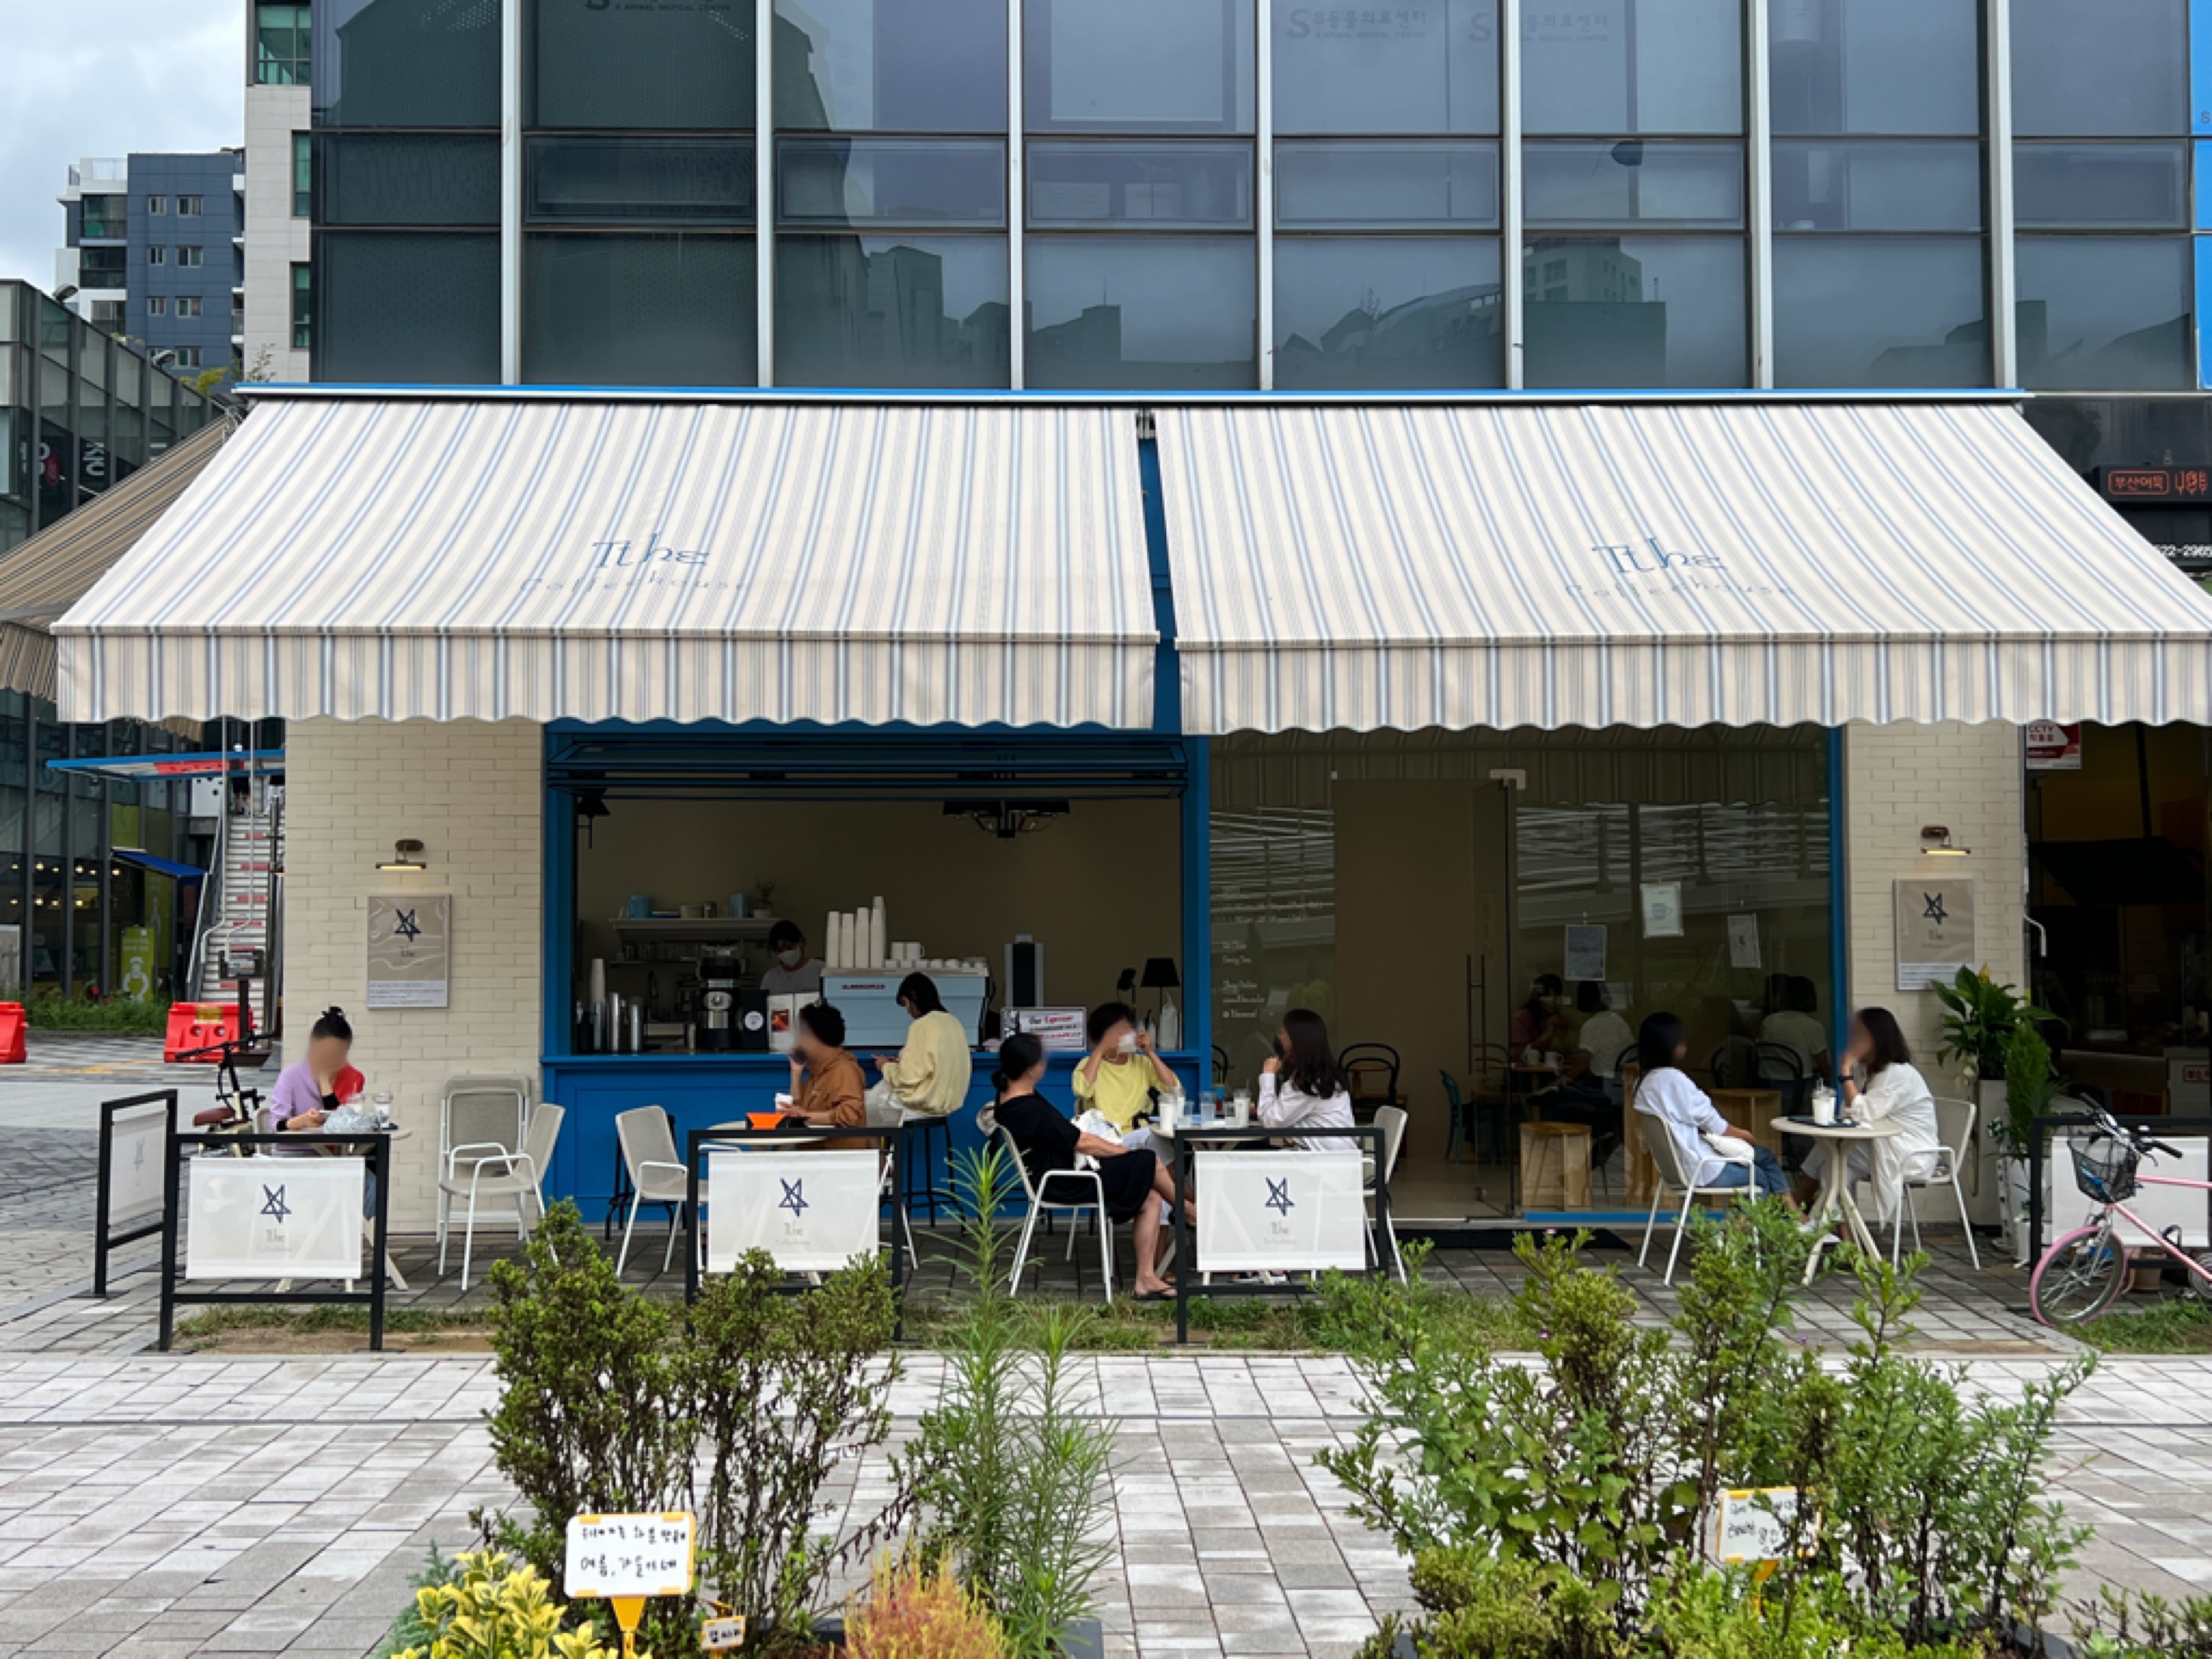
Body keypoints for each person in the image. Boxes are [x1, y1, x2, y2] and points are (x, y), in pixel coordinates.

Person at [991, 1032, 1183, 1299]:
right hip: (1064, 1181)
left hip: (1063, 1174)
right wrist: (1125, 1153)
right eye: (1042, 1060)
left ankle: (1146, 1279)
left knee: (1151, 1195)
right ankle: (1187, 1210)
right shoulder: (1027, 1108)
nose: (1045, 1064)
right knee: (1148, 1161)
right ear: (1031, 1070)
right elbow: (1081, 1142)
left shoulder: (1010, 1098)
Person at [1793, 1007, 1941, 1222]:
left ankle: (1799, 1204)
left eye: (1859, 1034)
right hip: (1886, 1144)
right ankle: (1842, 1232)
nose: (1853, 1040)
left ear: (1876, 1037)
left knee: (1833, 1153)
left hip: (1911, 1153)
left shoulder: (1898, 1074)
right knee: (1831, 1163)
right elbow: (1850, 1112)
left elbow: (1862, 1115)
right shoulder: (1870, 1072)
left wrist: (1845, 1070)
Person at [1632, 1012, 1790, 1198]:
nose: (1685, 1043)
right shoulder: (1672, 1080)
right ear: (1669, 1045)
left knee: (1764, 1157)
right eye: (1681, 1039)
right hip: (1702, 1167)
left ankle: (1792, 1210)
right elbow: (1710, 1120)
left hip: (1678, 1169)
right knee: (1760, 1177)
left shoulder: (1642, 1084)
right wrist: (1742, 1134)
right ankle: (1772, 1214)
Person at [873, 972, 973, 1118]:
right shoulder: (954, 1022)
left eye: (906, 1003)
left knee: (868, 1105)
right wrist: (900, 1064)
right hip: (949, 1104)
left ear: (913, 998)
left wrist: (884, 1066)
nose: (908, 1011)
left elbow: (908, 1078)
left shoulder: (921, 1025)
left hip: (923, 1103)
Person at [1074, 1000, 1180, 1133]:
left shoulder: (1143, 1063)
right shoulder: (1089, 1063)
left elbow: (1173, 1088)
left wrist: (1150, 1052)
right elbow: (1082, 1091)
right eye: (1120, 1030)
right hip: (1103, 1134)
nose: (1128, 1033)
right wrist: (1101, 1048)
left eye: (1129, 1028)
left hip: (1138, 1132)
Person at [1257, 1008, 1356, 1150]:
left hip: (1325, 1159)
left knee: (1246, 1153)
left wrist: (1268, 1075)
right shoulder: (1324, 1074)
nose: (1280, 1037)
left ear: (1295, 1039)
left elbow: (1271, 1122)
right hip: (1337, 1154)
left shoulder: (1307, 1083)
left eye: (1283, 1032)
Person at [267, 1006, 365, 1145]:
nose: (330, 1059)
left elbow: (342, 1125)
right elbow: (274, 1126)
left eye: (337, 1053)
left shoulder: (353, 1078)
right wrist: (303, 1121)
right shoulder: (292, 1075)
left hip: (335, 1154)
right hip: (294, 1152)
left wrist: (325, 1082)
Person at [788, 1001, 866, 1150]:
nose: (796, 1043)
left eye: (801, 1035)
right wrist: (796, 1073)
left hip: (837, 1159)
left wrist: (808, 1117)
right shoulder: (816, 1073)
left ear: (815, 1037)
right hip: (813, 1156)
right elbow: (797, 1112)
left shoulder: (843, 1070)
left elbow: (850, 1114)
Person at [1759, 977, 1832, 1088]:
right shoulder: (1813, 1026)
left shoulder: (1769, 1021)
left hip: (1765, 1081)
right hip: (1798, 1085)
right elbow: (1824, 1065)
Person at [1510, 973, 1571, 1058]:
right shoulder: (1521, 1018)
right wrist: (1548, 1034)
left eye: (1557, 996)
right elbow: (1518, 1055)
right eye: (1548, 996)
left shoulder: (1557, 1018)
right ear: (1537, 997)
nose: (1553, 1001)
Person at [759, 919, 824, 996]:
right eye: (780, 951)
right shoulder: (770, 978)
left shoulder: (821, 970)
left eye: (790, 948)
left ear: (802, 942)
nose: (786, 953)